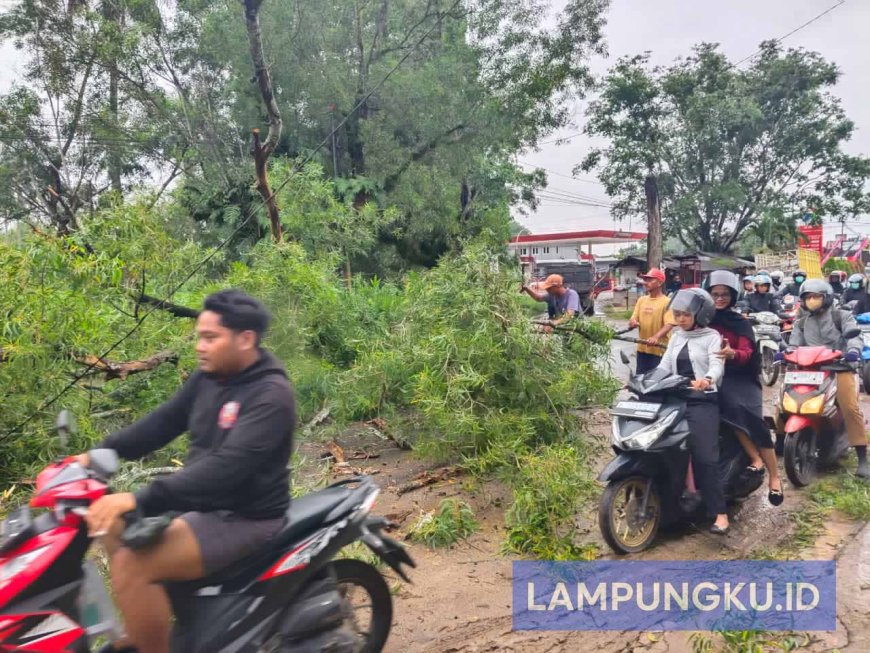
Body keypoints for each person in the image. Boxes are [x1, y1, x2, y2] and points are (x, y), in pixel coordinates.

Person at [80, 290, 296, 653]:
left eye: (210, 337)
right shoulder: (211, 377)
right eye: (199, 336)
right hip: (202, 505)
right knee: (108, 523)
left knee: (133, 564)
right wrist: (102, 452)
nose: (200, 346)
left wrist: (138, 498)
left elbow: (225, 469)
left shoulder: (271, 395)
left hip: (244, 515)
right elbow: (164, 421)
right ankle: (145, 623)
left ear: (245, 339)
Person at [655, 288, 729, 534]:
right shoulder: (676, 336)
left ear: (700, 314)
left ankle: (720, 514)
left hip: (702, 400)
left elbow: (717, 365)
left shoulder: (712, 337)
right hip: (675, 398)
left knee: (705, 456)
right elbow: (664, 366)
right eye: (677, 314)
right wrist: (643, 380)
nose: (680, 319)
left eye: (686, 314)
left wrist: (707, 379)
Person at [707, 271, 783, 506]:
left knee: (744, 413)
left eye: (724, 294)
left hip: (739, 377)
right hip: (707, 376)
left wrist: (733, 354)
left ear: (733, 296)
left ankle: (772, 473)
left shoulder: (740, 322)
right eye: (715, 294)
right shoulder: (701, 319)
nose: (719, 298)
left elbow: (747, 352)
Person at [789, 280, 869, 479]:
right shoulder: (801, 322)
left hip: (839, 369)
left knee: (850, 408)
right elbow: (793, 344)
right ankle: (782, 440)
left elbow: (854, 336)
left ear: (826, 298)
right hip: (811, 371)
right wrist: (786, 353)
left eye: (816, 296)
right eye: (808, 297)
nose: (812, 300)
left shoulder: (841, 315)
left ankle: (862, 458)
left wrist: (853, 350)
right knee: (786, 400)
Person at [628, 268, 676, 374]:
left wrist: (655, 337)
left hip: (659, 350)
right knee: (641, 379)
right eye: (645, 280)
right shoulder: (642, 300)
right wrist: (633, 323)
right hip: (642, 349)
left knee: (657, 381)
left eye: (650, 280)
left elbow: (669, 324)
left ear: (660, 282)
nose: (646, 283)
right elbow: (633, 318)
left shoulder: (667, 302)